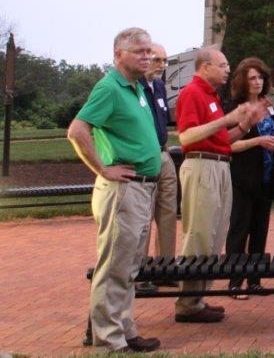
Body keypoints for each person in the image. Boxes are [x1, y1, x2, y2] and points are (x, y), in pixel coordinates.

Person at [67, 27, 162, 353]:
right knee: (114, 267)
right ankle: (108, 340)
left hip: (141, 190)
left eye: (148, 51)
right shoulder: (109, 87)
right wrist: (102, 169)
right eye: (139, 51)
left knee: (129, 267)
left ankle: (124, 329)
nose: (147, 56)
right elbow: (78, 130)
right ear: (118, 54)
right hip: (123, 190)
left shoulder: (136, 87)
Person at [174, 47, 265, 323]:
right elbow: (187, 137)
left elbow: (223, 139)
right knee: (199, 233)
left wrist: (245, 125)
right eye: (223, 65)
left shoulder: (211, 96)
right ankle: (187, 302)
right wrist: (227, 119)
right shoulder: (192, 93)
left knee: (214, 234)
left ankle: (198, 298)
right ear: (204, 67)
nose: (228, 69)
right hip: (202, 166)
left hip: (219, 163)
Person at [224, 58, 274, 299]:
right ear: (243, 81)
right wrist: (258, 141)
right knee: (240, 230)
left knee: (260, 230)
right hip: (242, 177)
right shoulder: (234, 107)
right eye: (252, 78)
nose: (258, 82)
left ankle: (255, 280)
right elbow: (228, 145)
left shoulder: (266, 107)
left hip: (266, 176)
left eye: (260, 77)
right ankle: (234, 281)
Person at [138, 42, 177, 292]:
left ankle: (164, 268)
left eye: (164, 60)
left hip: (164, 154)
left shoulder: (160, 87)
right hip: (144, 159)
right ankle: (141, 273)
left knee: (168, 213)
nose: (162, 66)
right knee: (143, 217)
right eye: (156, 60)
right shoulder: (136, 88)